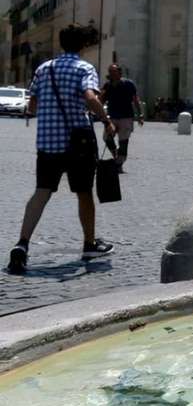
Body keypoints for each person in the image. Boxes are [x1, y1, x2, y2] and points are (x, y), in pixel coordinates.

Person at [9, 24, 116, 274]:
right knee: (83, 192)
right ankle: (89, 243)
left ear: (61, 43)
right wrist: (106, 120)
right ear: (81, 46)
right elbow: (90, 97)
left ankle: (22, 244)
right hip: (77, 142)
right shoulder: (84, 68)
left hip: (48, 142)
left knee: (41, 192)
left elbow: (32, 106)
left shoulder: (44, 69)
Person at [101, 64, 143, 172]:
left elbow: (135, 99)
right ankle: (115, 153)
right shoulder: (107, 85)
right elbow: (102, 100)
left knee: (123, 141)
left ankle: (119, 163)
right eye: (110, 71)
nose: (111, 74)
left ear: (119, 73)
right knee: (107, 138)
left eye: (113, 72)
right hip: (112, 117)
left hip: (126, 117)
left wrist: (140, 114)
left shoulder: (129, 84)